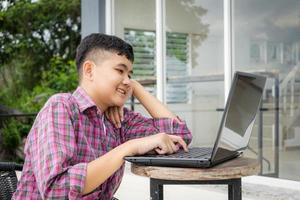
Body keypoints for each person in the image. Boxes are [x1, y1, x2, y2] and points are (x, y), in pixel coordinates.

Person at [13, 33, 192, 200]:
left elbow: (178, 136)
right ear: (89, 70)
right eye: (120, 71)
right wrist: (128, 147)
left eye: (130, 74)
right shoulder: (61, 107)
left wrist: (136, 87)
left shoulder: (118, 121)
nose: (127, 80)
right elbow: (56, 191)